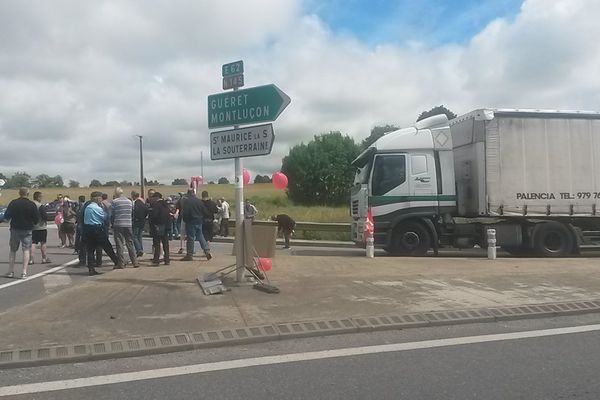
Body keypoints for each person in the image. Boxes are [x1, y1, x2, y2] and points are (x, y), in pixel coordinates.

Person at [4, 187, 39, 278]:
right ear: (27, 194)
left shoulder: (13, 203)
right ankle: (24, 272)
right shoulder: (31, 204)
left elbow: (6, 216)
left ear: (19, 193)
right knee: (26, 250)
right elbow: (36, 219)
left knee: (13, 250)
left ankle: (11, 271)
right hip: (27, 229)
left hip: (15, 228)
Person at [83, 191, 119, 276]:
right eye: (100, 198)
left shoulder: (87, 207)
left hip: (88, 228)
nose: (101, 200)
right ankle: (116, 262)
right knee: (107, 246)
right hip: (97, 228)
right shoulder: (97, 208)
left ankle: (91, 268)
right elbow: (105, 217)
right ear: (97, 198)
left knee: (90, 250)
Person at [111, 187, 138, 268]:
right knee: (130, 242)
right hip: (128, 224)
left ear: (116, 194)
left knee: (119, 244)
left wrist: (112, 223)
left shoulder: (114, 202)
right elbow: (132, 212)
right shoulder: (130, 202)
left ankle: (121, 263)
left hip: (118, 224)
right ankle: (135, 261)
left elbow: (112, 214)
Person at [181, 191, 212, 261]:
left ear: (188, 194)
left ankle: (189, 254)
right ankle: (206, 250)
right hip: (199, 221)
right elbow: (205, 211)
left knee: (191, 238)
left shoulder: (187, 202)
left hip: (191, 221)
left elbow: (185, 213)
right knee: (200, 236)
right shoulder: (199, 201)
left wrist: (185, 220)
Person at [148, 192, 170, 265]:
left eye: (154, 197)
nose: (153, 198)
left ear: (157, 197)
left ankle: (156, 260)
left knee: (157, 244)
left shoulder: (156, 205)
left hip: (157, 226)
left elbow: (154, 215)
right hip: (166, 226)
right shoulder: (166, 204)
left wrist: (151, 222)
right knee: (165, 244)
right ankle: (167, 259)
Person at [31, 191, 51, 265]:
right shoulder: (40, 206)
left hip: (32, 227)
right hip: (41, 226)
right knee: (43, 243)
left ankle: (31, 259)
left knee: (33, 243)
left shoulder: (30, 205)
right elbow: (45, 216)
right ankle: (44, 258)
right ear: (38, 197)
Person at [131, 191, 147, 257]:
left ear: (133, 196)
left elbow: (135, 211)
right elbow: (146, 210)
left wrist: (135, 218)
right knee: (139, 236)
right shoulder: (142, 202)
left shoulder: (136, 203)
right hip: (142, 221)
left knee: (134, 236)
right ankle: (141, 249)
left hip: (137, 221)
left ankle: (139, 250)